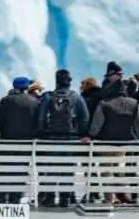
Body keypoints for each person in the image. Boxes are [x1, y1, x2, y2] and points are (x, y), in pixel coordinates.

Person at [84, 77, 139, 204]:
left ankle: (109, 198)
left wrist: (89, 136)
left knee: (106, 171)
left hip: (105, 143)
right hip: (123, 144)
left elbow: (97, 124)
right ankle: (121, 196)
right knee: (119, 169)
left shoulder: (104, 103)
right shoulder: (134, 103)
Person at [37, 69, 89, 207]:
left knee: (50, 168)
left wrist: (42, 133)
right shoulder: (76, 97)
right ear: (69, 81)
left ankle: (49, 198)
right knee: (68, 169)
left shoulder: (48, 96)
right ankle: (65, 199)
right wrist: (81, 134)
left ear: (56, 81)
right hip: (71, 140)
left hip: (51, 139)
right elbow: (85, 118)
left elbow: (40, 118)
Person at [0, 76, 38, 204]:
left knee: (6, 168)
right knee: (21, 169)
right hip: (26, 141)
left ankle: (3, 196)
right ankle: (16, 196)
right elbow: (37, 122)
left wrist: (3, 132)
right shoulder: (34, 101)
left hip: (7, 140)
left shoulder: (6, 100)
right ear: (26, 87)